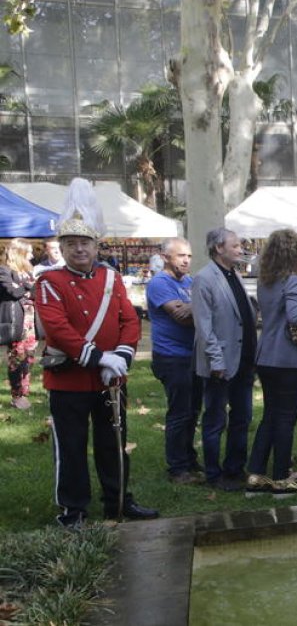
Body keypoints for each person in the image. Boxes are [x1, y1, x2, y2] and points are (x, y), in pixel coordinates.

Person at [36, 179, 157, 526]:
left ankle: (117, 501)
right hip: (69, 381)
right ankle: (73, 509)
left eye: (85, 242)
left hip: (110, 379)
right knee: (71, 447)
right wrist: (101, 358)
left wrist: (122, 357)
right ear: (61, 248)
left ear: (96, 245)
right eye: (71, 243)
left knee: (113, 443)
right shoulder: (49, 282)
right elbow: (58, 329)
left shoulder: (111, 279)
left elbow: (129, 320)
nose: (79, 249)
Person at [245, 229, 297, 495]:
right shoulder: (292, 280)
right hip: (288, 358)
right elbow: (296, 317)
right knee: (286, 418)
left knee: (270, 414)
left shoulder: (265, 281)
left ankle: (256, 473)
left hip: (266, 355)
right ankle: (281, 476)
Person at [193, 227, 257, 491]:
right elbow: (204, 327)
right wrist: (216, 361)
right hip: (220, 363)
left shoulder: (234, 274)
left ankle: (235, 468)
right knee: (215, 420)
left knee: (242, 417)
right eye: (236, 245)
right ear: (219, 248)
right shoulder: (204, 278)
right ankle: (213, 473)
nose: (241, 249)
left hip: (244, 360)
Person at [145, 237, 204, 484]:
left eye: (189, 256)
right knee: (179, 413)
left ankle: (189, 459)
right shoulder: (159, 283)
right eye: (181, 255)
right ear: (165, 257)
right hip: (171, 356)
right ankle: (177, 468)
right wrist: (202, 310)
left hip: (193, 355)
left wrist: (195, 309)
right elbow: (182, 317)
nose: (186, 260)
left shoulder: (189, 282)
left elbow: (195, 312)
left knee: (192, 411)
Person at [1, 239, 37, 410]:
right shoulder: (4, 271)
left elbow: (32, 292)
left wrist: (26, 288)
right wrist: (29, 286)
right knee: (17, 357)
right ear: (19, 253)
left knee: (29, 357)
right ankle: (17, 396)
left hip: (30, 320)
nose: (32, 255)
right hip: (16, 321)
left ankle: (25, 392)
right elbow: (13, 292)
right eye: (29, 252)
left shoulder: (27, 271)